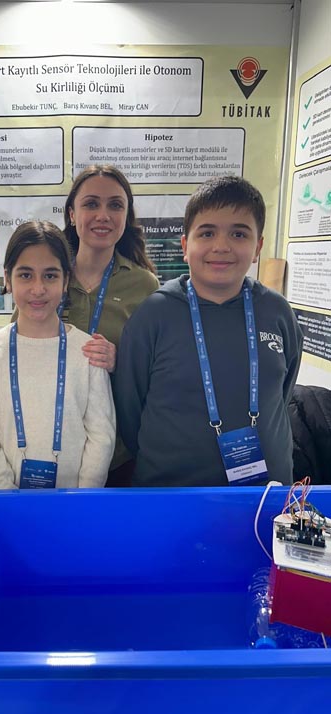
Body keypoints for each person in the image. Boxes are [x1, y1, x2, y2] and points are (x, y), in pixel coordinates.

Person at [0, 165, 159, 485]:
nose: (103, 215)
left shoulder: (144, 285)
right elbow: (17, 347)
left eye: (115, 205)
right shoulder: (47, 269)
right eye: (91, 203)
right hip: (29, 463)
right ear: (71, 213)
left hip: (118, 450)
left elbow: (153, 369)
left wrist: (119, 361)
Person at [114, 175, 304, 487]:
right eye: (207, 233)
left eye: (239, 234)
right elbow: (129, 410)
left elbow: (282, 394)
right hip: (169, 493)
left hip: (263, 496)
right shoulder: (153, 314)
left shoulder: (277, 312)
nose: (221, 246)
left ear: (257, 247)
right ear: (185, 245)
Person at [0, 220, 115, 490]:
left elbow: (101, 436)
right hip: (7, 503)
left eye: (50, 276)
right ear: (7, 279)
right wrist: (7, 498)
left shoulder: (88, 351)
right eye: (26, 275)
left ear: (66, 280)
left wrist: (81, 498)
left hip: (74, 503)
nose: (38, 289)